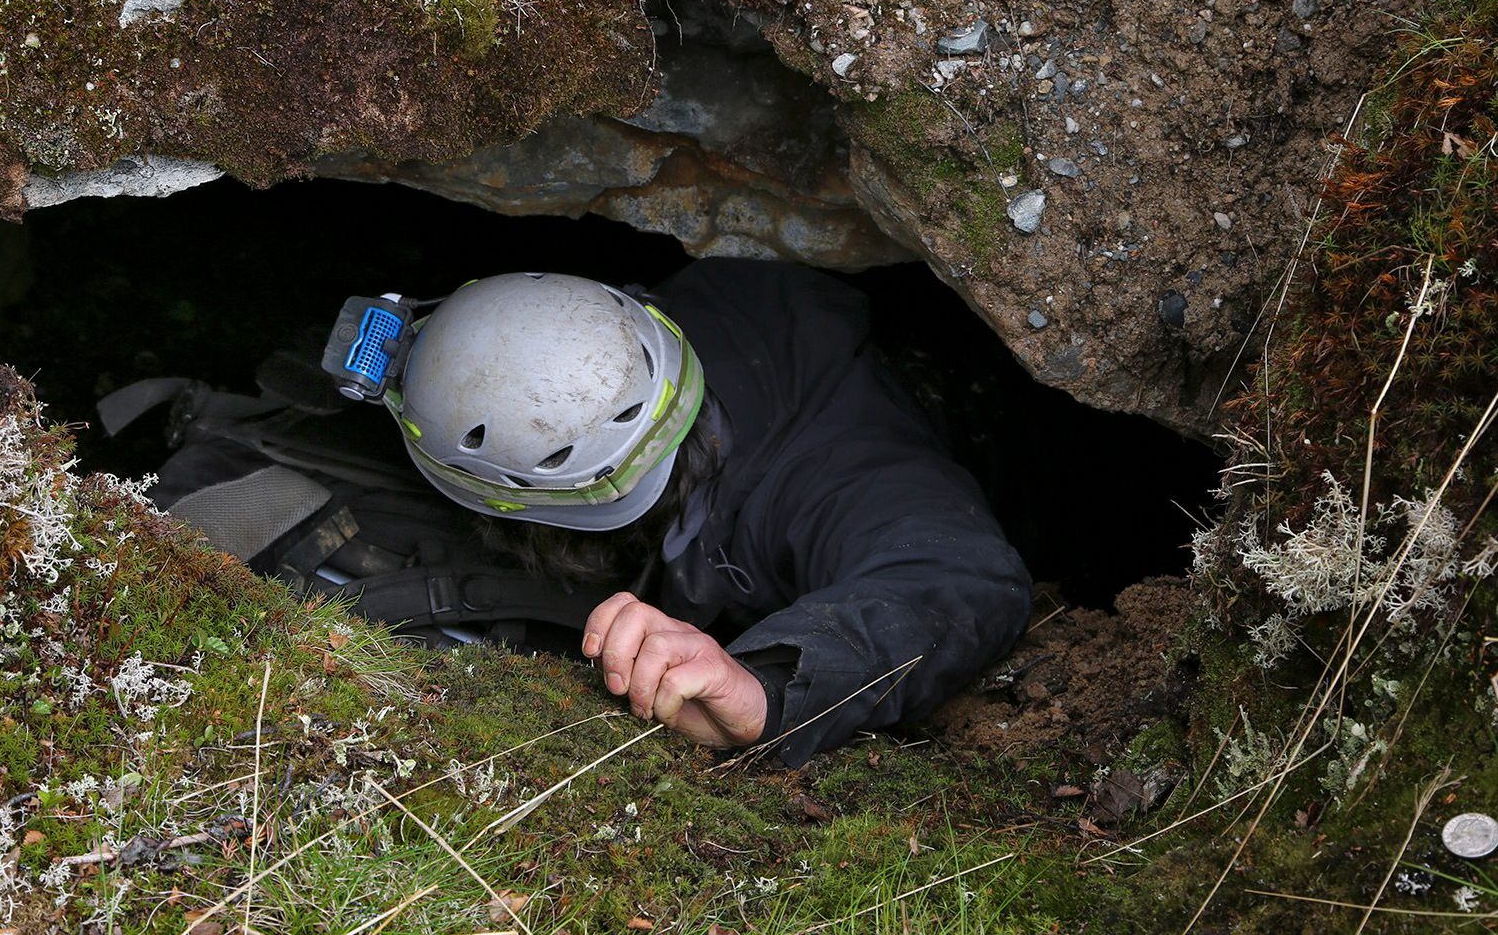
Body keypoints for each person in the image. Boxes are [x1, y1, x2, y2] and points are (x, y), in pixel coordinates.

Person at [355, 259, 1032, 765]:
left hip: (987, 432)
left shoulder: (829, 485)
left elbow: (961, 577)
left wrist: (765, 688)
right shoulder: (633, 336)